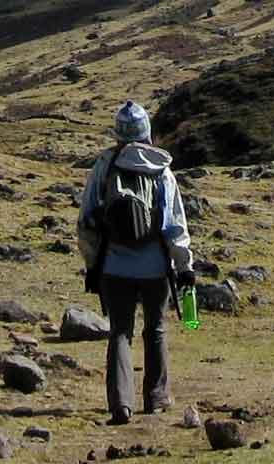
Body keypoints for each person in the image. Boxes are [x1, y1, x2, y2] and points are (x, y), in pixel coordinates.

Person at [77, 102, 195, 425]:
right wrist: (184, 266)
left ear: (118, 132)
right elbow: (175, 226)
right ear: (148, 133)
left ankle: (121, 405)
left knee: (119, 333)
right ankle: (156, 398)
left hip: (114, 266)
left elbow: (86, 220)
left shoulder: (105, 165)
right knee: (155, 329)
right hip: (156, 266)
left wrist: (92, 265)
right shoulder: (162, 170)